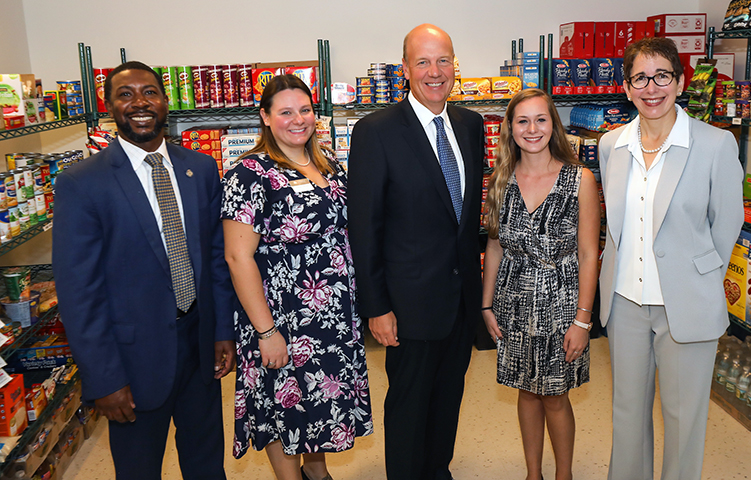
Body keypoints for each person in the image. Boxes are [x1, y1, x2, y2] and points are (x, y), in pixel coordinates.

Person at [53, 61, 235, 480]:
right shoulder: (83, 182)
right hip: (133, 363)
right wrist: (104, 379)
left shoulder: (201, 169)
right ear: (109, 105)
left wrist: (222, 329)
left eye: (149, 92)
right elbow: (80, 294)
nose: (139, 103)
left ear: (165, 101)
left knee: (207, 463)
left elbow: (214, 257)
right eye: (125, 94)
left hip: (199, 346)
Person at [598, 37, 744, 480]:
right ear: (626, 87)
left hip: (686, 304)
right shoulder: (611, 146)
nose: (651, 87)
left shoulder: (715, 145)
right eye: (640, 77)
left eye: (662, 75)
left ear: (680, 82)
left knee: (683, 423)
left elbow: (726, 226)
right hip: (625, 302)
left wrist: (696, 277)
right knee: (626, 416)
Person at [347, 23, 485, 480]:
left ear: (455, 67)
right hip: (406, 307)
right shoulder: (375, 132)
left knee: (447, 403)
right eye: (422, 61)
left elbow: (464, 220)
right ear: (404, 69)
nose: (434, 71)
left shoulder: (470, 124)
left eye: (443, 60)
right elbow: (364, 228)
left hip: (459, 302)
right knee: (408, 409)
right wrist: (377, 307)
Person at [222, 74, 373, 480]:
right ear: (265, 117)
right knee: (283, 403)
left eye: (304, 110)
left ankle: (317, 474)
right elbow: (238, 257)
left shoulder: (328, 165)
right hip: (282, 316)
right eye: (285, 111)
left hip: (331, 316)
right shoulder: (249, 174)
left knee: (318, 403)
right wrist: (266, 331)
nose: (298, 119)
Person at [481, 88, 600, 480]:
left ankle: (562, 475)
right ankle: (534, 474)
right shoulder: (500, 180)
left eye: (541, 119)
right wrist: (486, 305)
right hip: (512, 301)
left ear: (554, 124)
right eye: (522, 121)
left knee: (555, 395)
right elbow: (495, 245)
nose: (532, 129)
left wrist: (583, 320)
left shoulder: (579, 179)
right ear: (510, 129)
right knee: (526, 392)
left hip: (562, 302)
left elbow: (587, 254)